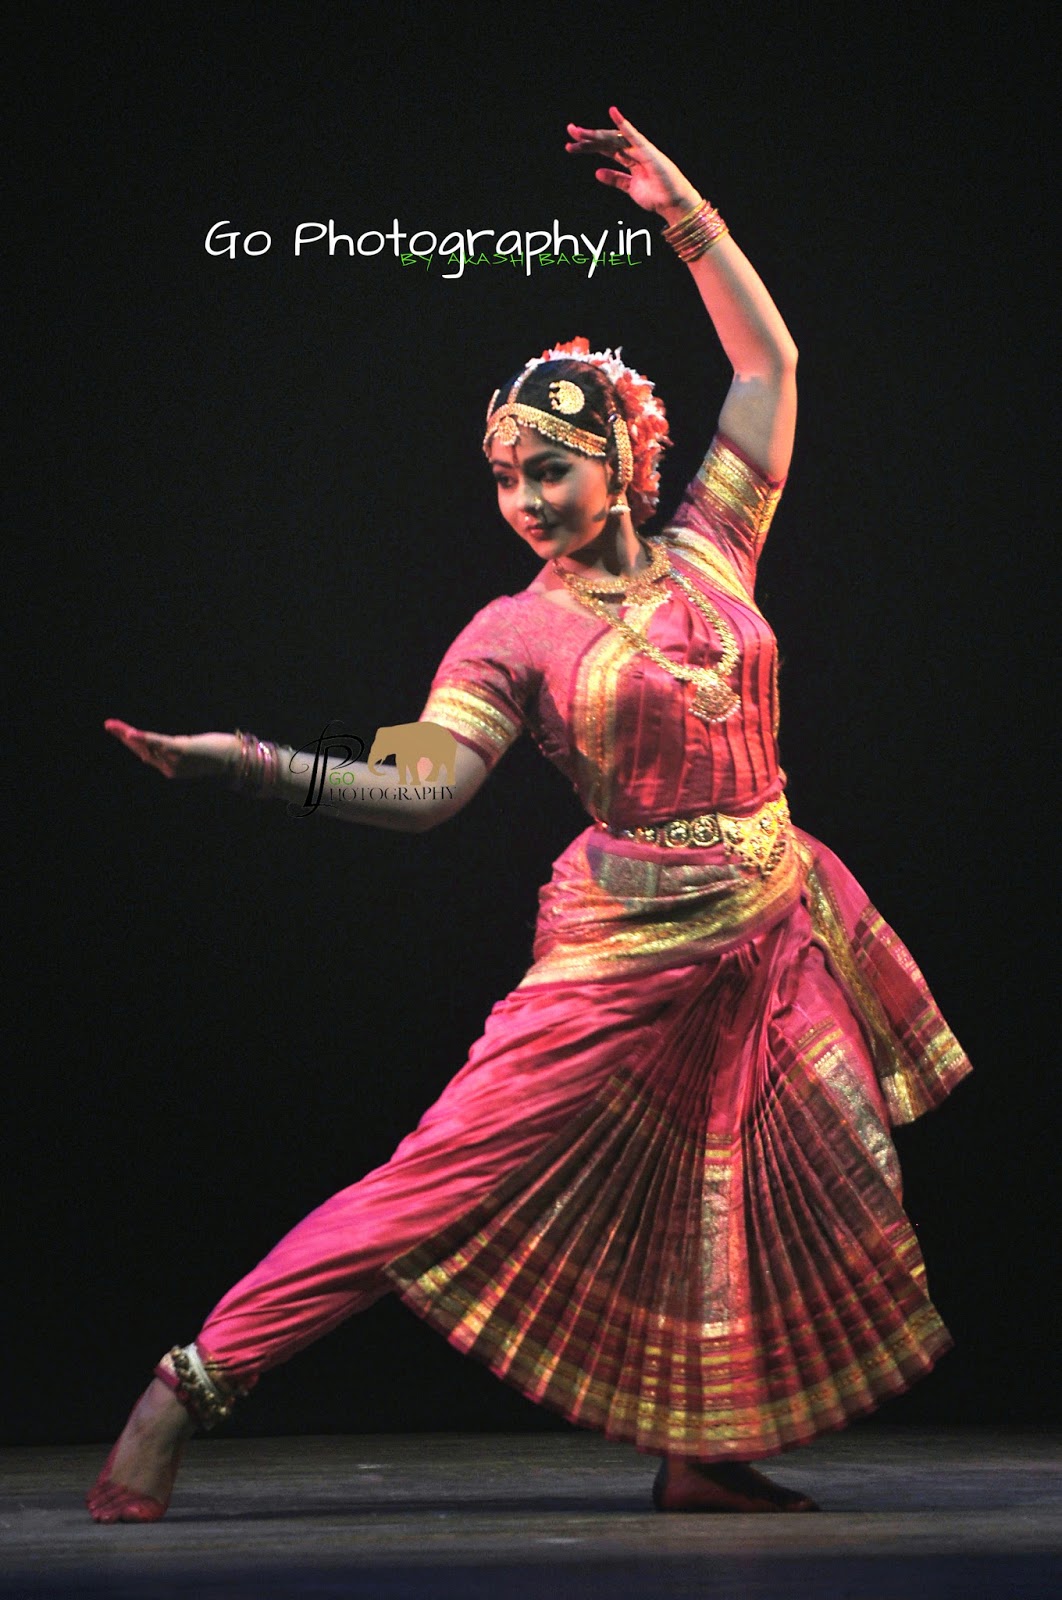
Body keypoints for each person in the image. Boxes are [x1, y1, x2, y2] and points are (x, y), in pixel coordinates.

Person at [90, 108, 971, 1523]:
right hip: (623, 944)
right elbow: (421, 782)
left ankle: (700, 1453)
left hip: (774, 914)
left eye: (547, 470)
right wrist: (248, 762)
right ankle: (182, 1388)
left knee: (779, 1169)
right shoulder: (512, 633)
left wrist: (680, 209)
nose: (523, 501)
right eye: (504, 479)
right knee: (440, 1178)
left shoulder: (715, 545)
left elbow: (769, 365)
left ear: (620, 460)